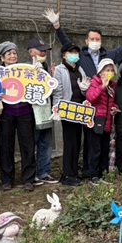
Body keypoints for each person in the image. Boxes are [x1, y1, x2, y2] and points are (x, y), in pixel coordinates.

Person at [44, 9, 122, 177]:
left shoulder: (108, 55)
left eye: (98, 39)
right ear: (86, 41)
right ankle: (88, 170)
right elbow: (67, 45)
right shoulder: (80, 55)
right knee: (88, 140)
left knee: (100, 141)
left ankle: (97, 171)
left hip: (104, 107)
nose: (95, 42)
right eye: (92, 39)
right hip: (86, 101)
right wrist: (57, 26)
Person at [0, 42, 36, 191]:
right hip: (6, 113)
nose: (13, 56)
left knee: (28, 146)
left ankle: (28, 179)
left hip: (25, 112)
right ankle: (7, 179)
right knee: (6, 146)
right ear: (2, 58)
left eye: (14, 53)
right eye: (9, 54)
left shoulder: (25, 71)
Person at [26, 39, 59, 185]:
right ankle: (31, 174)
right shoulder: (25, 69)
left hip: (46, 111)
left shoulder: (45, 68)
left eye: (45, 51)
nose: (43, 53)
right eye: (40, 50)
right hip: (32, 113)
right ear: (31, 52)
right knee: (31, 143)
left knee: (45, 143)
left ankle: (44, 172)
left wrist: (52, 77)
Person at [52, 45, 85, 187]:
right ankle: (67, 174)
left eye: (76, 52)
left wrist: (85, 88)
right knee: (69, 142)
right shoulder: (60, 70)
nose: (74, 54)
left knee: (77, 142)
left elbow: (83, 88)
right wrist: (56, 108)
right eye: (71, 52)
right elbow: (58, 91)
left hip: (80, 112)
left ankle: (74, 172)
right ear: (64, 55)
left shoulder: (80, 69)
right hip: (67, 111)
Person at [85, 59, 119, 183]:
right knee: (95, 149)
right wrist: (102, 87)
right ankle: (93, 175)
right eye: (106, 70)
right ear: (100, 72)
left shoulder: (113, 86)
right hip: (96, 120)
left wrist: (116, 108)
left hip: (108, 121)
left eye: (111, 70)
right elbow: (91, 98)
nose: (109, 73)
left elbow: (112, 102)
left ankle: (103, 173)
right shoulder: (95, 83)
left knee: (105, 148)